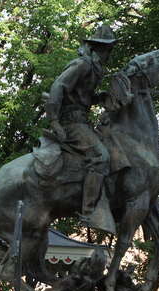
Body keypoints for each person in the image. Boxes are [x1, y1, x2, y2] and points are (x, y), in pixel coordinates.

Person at [45, 23, 117, 234]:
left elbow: (80, 97)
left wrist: (98, 97)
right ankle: (88, 212)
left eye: (109, 48)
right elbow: (59, 86)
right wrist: (54, 121)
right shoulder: (83, 64)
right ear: (95, 48)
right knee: (101, 157)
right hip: (71, 122)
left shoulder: (96, 69)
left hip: (82, 120)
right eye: (104, 48)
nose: (107, 53)